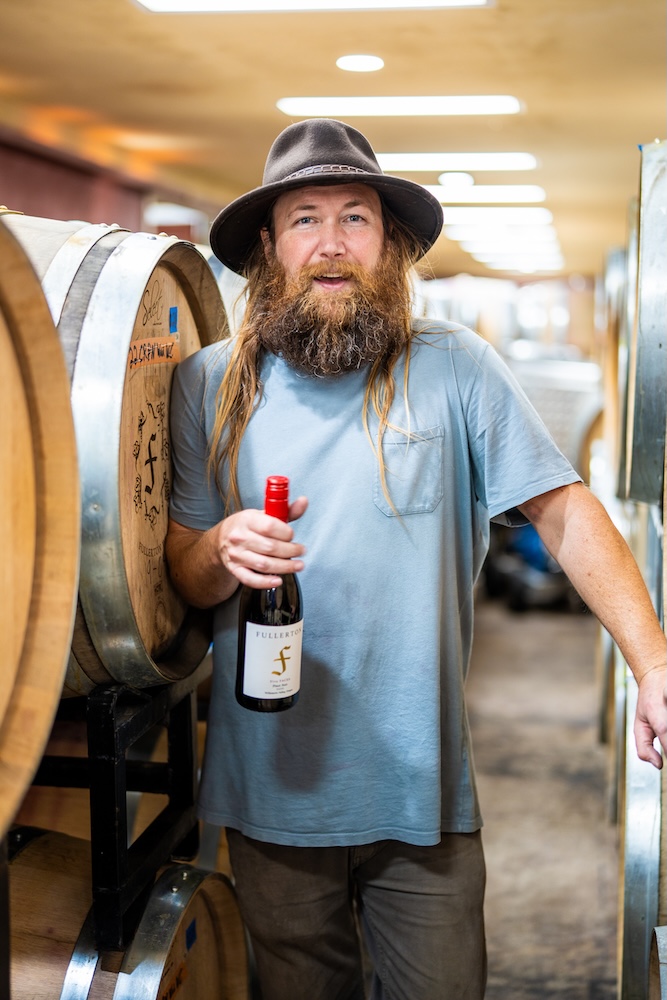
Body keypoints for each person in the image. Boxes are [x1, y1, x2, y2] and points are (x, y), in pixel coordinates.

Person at [165, 118, 667, 1000]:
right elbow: (179, 568)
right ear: (268, 250)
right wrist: (216, 547)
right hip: (271, 791)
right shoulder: (210, 383)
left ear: (389, 244)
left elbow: (562, 511)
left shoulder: (454, 365)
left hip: (420, 791)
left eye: (354, 218)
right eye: (304, 219)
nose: (331, 243)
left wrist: (653, 662)